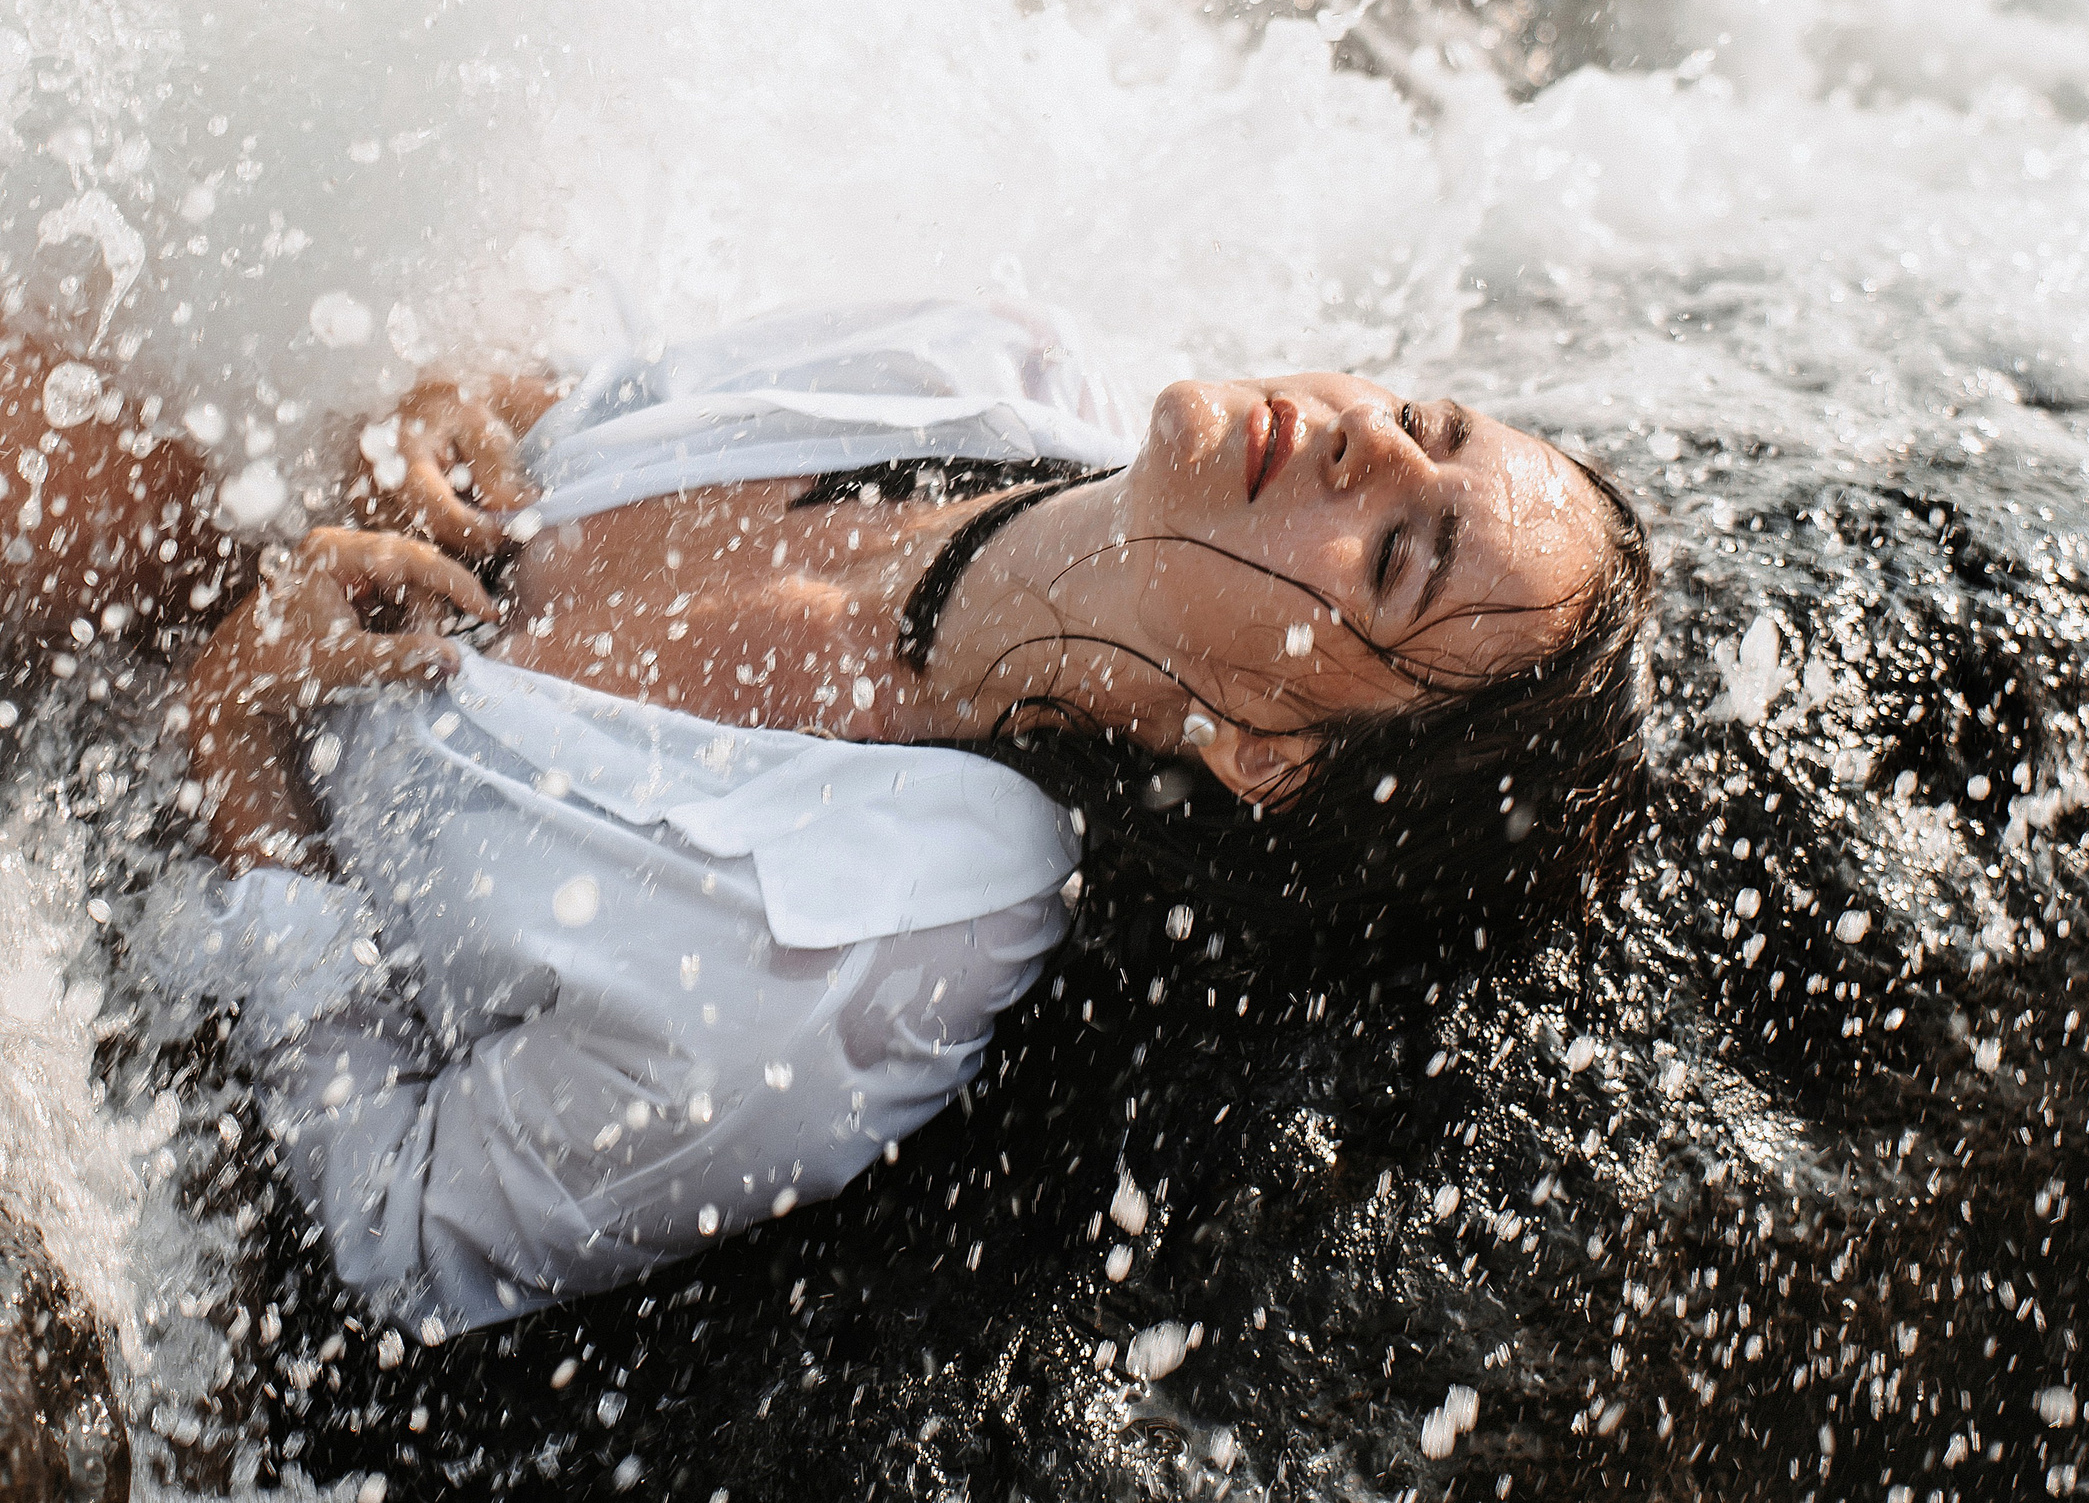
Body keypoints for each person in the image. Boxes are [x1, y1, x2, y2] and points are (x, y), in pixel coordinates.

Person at [17, 297, 1652, 1337]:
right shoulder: (1002, 365)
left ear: (1266, 752)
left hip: (108, 891)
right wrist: (453, 396)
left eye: (1395, 554)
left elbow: (391, 1228)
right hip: (184, 534)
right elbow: (582, 367)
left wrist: (236, 738)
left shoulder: (829, 986)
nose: (1368, 439)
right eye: (1429, 424)